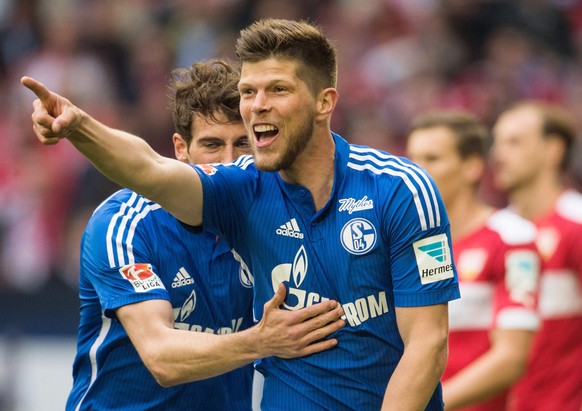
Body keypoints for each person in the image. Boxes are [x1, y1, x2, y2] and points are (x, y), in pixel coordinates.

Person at [22, 19, 460, 410]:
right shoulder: (231, 192)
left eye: (278, 90)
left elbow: (428, 342)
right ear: (182, 148)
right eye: (249, 92)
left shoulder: (401, 189)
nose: (257, 105)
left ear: (325, 103)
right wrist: (80, 127)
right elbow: (148, 168)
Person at [63, 59, 346, 411]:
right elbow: (162, 358)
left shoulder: (276, 222)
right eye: (212, 145)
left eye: (243, 143)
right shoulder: (124, 225)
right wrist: (262, 341)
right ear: (181, 149)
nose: (229, 161)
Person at [407, 110, 541, 411]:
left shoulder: (513, 238)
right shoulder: (408, 246)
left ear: (472, 167)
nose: (417, 170)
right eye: (412, 158)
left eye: (432, 158)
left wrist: (427, 404)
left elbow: (510, 358)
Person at [490, 101, 582, 411]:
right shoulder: (496, 233)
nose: (498, 155)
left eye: (514, 142)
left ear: (553, 149)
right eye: (497, 143)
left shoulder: (576, 223)